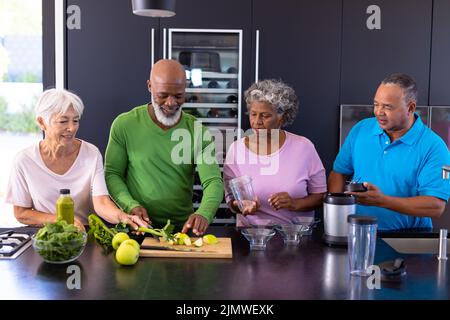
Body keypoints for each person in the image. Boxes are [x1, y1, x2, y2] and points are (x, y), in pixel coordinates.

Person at [104, 59, 223, 235]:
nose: (171, 102)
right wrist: (131, 205)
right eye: (163, 95)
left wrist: (204, 213)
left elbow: (213, 181)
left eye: (178, 96)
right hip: (136, 226)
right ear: (149, 86)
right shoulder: (124, 125)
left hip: (182, 231)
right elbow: (112, 174)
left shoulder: (197, 130)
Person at [5, 89, 148, 231]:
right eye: (63, 121)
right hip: (46, 236)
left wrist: (123, 217)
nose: (72, 128)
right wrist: (60, 221)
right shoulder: (24, 160)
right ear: (42, 122)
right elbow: (21, 213)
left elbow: (102, 203)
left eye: (76, 120)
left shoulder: (91, 153)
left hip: (85, 234)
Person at [329, 73, 450, 230]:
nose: (379, 112)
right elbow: (339, 173)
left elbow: (435, 206)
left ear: (411, 108)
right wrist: (336, 216)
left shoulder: (434, 147)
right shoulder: (361, 129)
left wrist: (382, 200)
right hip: (355, 232)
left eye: (387, 107)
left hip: (407, 241)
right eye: (376, 104)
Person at [223, 79, 327, 226]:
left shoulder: (304, 147)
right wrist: (241, 206)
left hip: (294, 238)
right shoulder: (236, 149)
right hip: (251, 237)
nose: (256, 122)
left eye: (265, 116)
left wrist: (294, 203)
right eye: (253, 114)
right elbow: (230, 199)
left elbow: (320, 196)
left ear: (281, 118)